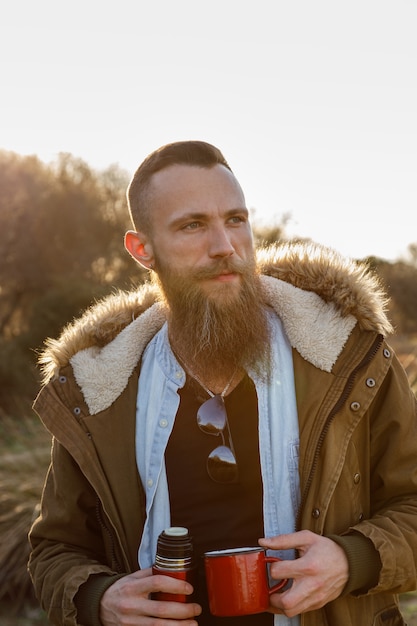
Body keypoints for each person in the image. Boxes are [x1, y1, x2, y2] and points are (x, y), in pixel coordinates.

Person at [28, 140, 417, 626]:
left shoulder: (348, 356)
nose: (225, 247)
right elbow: (54, 549)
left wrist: (352, 560)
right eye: (193, 225)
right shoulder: (99, 389)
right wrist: (99, 600)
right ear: (142, 249)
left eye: (235, 219)